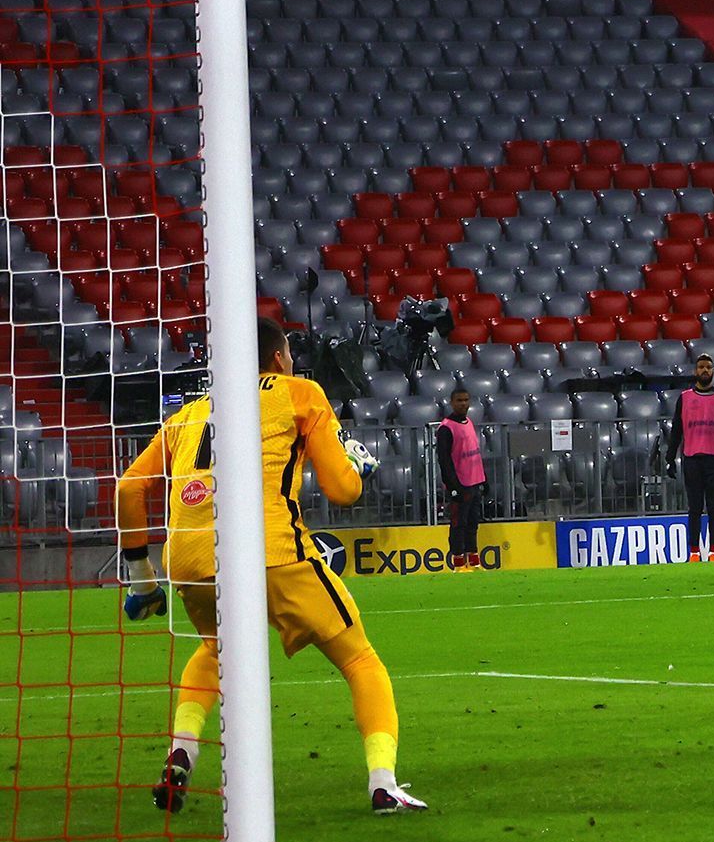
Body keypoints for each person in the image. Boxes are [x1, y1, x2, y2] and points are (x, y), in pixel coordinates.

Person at [115, 318, 426, 815]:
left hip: (192, 559)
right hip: (272, 552)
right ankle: (383, 784)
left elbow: (129, 489)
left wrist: (143, 581)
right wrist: (358, 470)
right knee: (360, 661)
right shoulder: (299, 392)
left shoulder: (189, 413)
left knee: (217, 653)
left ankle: (182, 750)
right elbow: (342, 491)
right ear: (279, 358)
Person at [660, 354, 714, 563]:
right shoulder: (685, 397)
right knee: (695, 507)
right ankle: (694, 552)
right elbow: (677, 430)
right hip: (692, 457)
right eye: (701, 367)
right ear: (695, 371)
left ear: (713, 371)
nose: (705, 370)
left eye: (708, 367)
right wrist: (670, 458)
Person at [436, 388, 486, 572]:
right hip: (460, 483)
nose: (463, 403)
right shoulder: (446, 428)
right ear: (451, 402)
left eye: (466, 400)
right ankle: (458, 562)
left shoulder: (469, 422)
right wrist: (452, 486)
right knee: (458, 523)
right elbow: (444, 459)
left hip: (474, 480)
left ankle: (473, 560)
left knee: (473, 522)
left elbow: (475, 453)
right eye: (459, 400)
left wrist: (483, 478)